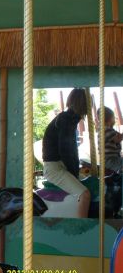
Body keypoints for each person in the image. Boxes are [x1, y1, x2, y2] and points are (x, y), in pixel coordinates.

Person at [42, 88, 91, 218]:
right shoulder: (65, 120)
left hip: (59, 165)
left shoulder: (68, 119)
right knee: (85, 195)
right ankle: (81, 229)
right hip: (55, 168)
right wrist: (74, 171)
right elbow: (66, 150)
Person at [97, 106, 122, 173]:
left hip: (110, 159)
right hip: (110, 160)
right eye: (113, 117)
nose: (115, 119)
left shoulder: (104, 130)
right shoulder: (106, 130)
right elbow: (118, 139)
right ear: (109, 119)